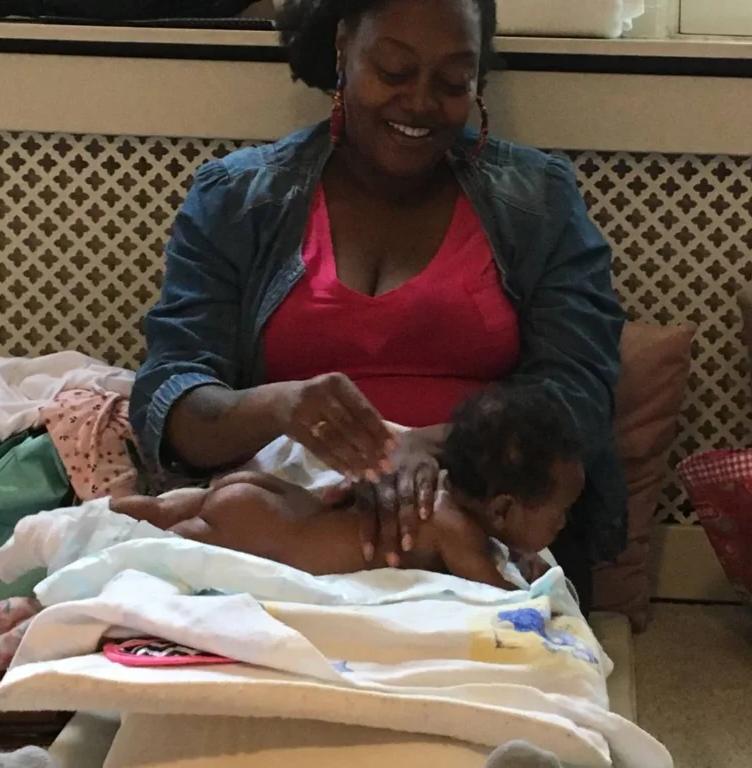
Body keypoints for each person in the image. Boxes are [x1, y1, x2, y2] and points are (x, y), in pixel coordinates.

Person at [128, 0, 626, 612]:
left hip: (481, 535)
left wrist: (436, 447)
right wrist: (279, 405)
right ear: (343, 48)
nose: (420, 102)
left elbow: (580, 396)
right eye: (393, 70)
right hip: (286, 538)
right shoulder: (238, 200)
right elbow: (171, 396)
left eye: (453, 81)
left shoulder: (538, 201)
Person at [114, 386, 584, 589]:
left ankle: (141, 510)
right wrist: (537, 593)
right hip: (268, 535)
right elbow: (496, 596)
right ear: (501, 509)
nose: (565, 522)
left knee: (193, 508)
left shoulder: (436, 487)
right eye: (560, 512)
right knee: (178, 547)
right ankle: (127, 547)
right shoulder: (456, 530)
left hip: (278, 499)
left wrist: (521, 554)